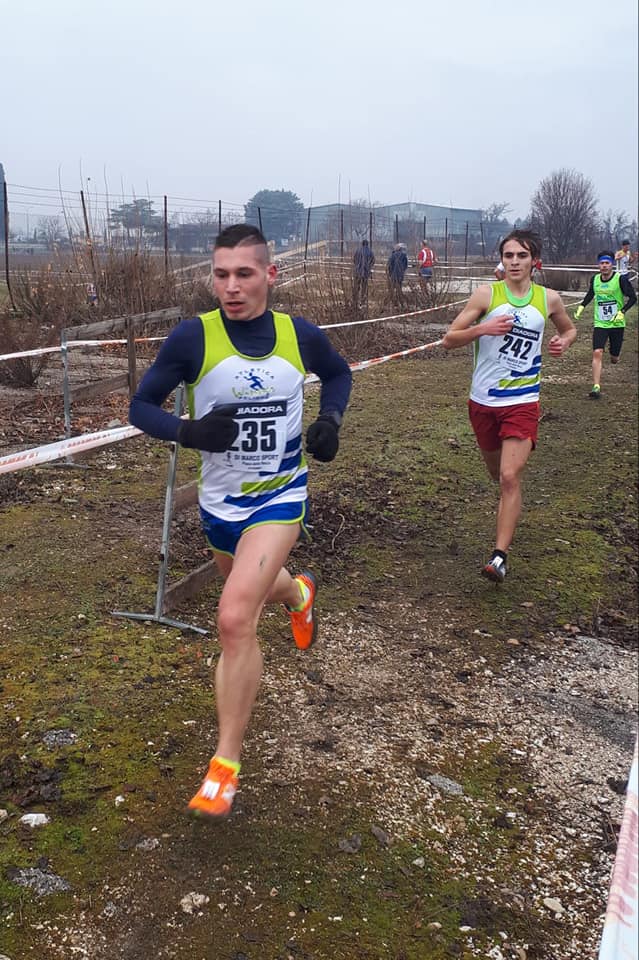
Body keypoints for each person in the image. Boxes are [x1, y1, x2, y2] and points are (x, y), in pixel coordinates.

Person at [129, 224, 352, 818]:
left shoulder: (298, 335)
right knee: (252, 590)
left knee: (233, 618)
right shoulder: (192, 338)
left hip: (280, 497)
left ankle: (224, 765)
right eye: (221, 274)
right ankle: (298, 593)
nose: (231, 286)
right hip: (221, 506)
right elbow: (140, 406)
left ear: (269, 275)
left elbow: (339, 373)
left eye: (244, 274)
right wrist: (188, 431)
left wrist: (329, 420)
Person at [442, 229, 576, 584]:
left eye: (522, 255)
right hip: (483, 402)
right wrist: (482, 329)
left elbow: (569, 330)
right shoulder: (486, 295)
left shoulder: (549, 299)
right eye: (509, 255)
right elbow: (449, 339)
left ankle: (498, 557)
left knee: (509, 476)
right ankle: (510, 506)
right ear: (501, 260)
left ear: (535, 261)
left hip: (522, 401)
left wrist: (563, 341)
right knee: (497, 475)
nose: (514, 262)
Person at [574, 250, 636, 399]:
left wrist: (622, 311)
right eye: (602, 263)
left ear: (612, 264)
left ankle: (615, 355)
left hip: (617, 324)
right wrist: (582, 306)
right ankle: (596, 386)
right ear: (598, 265)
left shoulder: (620, 279)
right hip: (600, 323)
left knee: (614, 358)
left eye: (607, 263)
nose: (604, 266)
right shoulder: (595, 279)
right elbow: (590, 294)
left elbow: (633, 298)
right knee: (597, 352)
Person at [353, 239, 375, 304]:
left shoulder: (358, 250)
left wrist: (357, 266)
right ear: (367, 244)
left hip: (357, 271)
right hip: (366, 272)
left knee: (356, 286)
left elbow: (354, 259)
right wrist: (369, 267)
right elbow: (373, 260)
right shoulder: (370, 251)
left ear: (362, 244)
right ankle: (362, 301)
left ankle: (355, 300)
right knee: (364, 287)